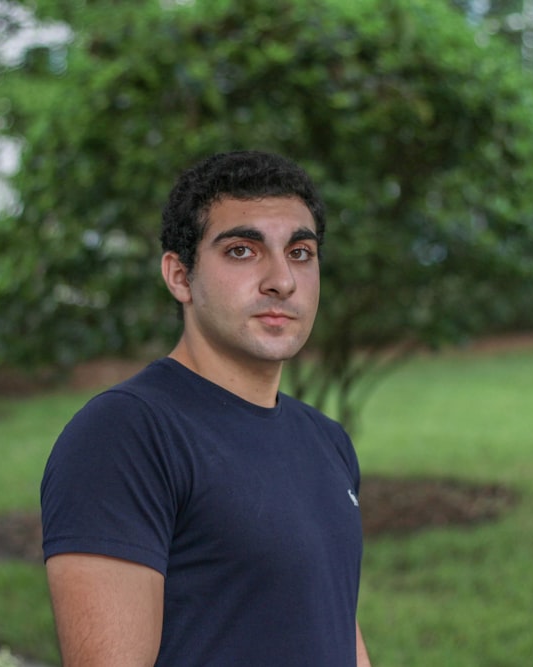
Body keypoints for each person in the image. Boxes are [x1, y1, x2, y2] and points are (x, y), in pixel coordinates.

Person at [40, 150, 372, 666]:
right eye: (242, 251)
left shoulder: (326, 440)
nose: (281, 280)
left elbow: (334, 630)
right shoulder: (125, 435)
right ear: (179, 276)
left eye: (301, 253)